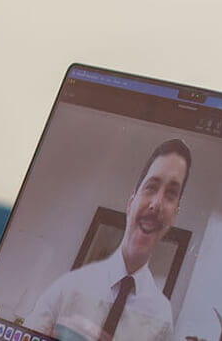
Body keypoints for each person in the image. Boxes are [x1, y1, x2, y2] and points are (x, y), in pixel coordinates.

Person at [24, 140, 191, 341]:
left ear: (174, 216)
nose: (157, 204)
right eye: (151, 187)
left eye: (171, 194)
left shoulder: (162, 318)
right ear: (131, 203)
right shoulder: (68, 287)